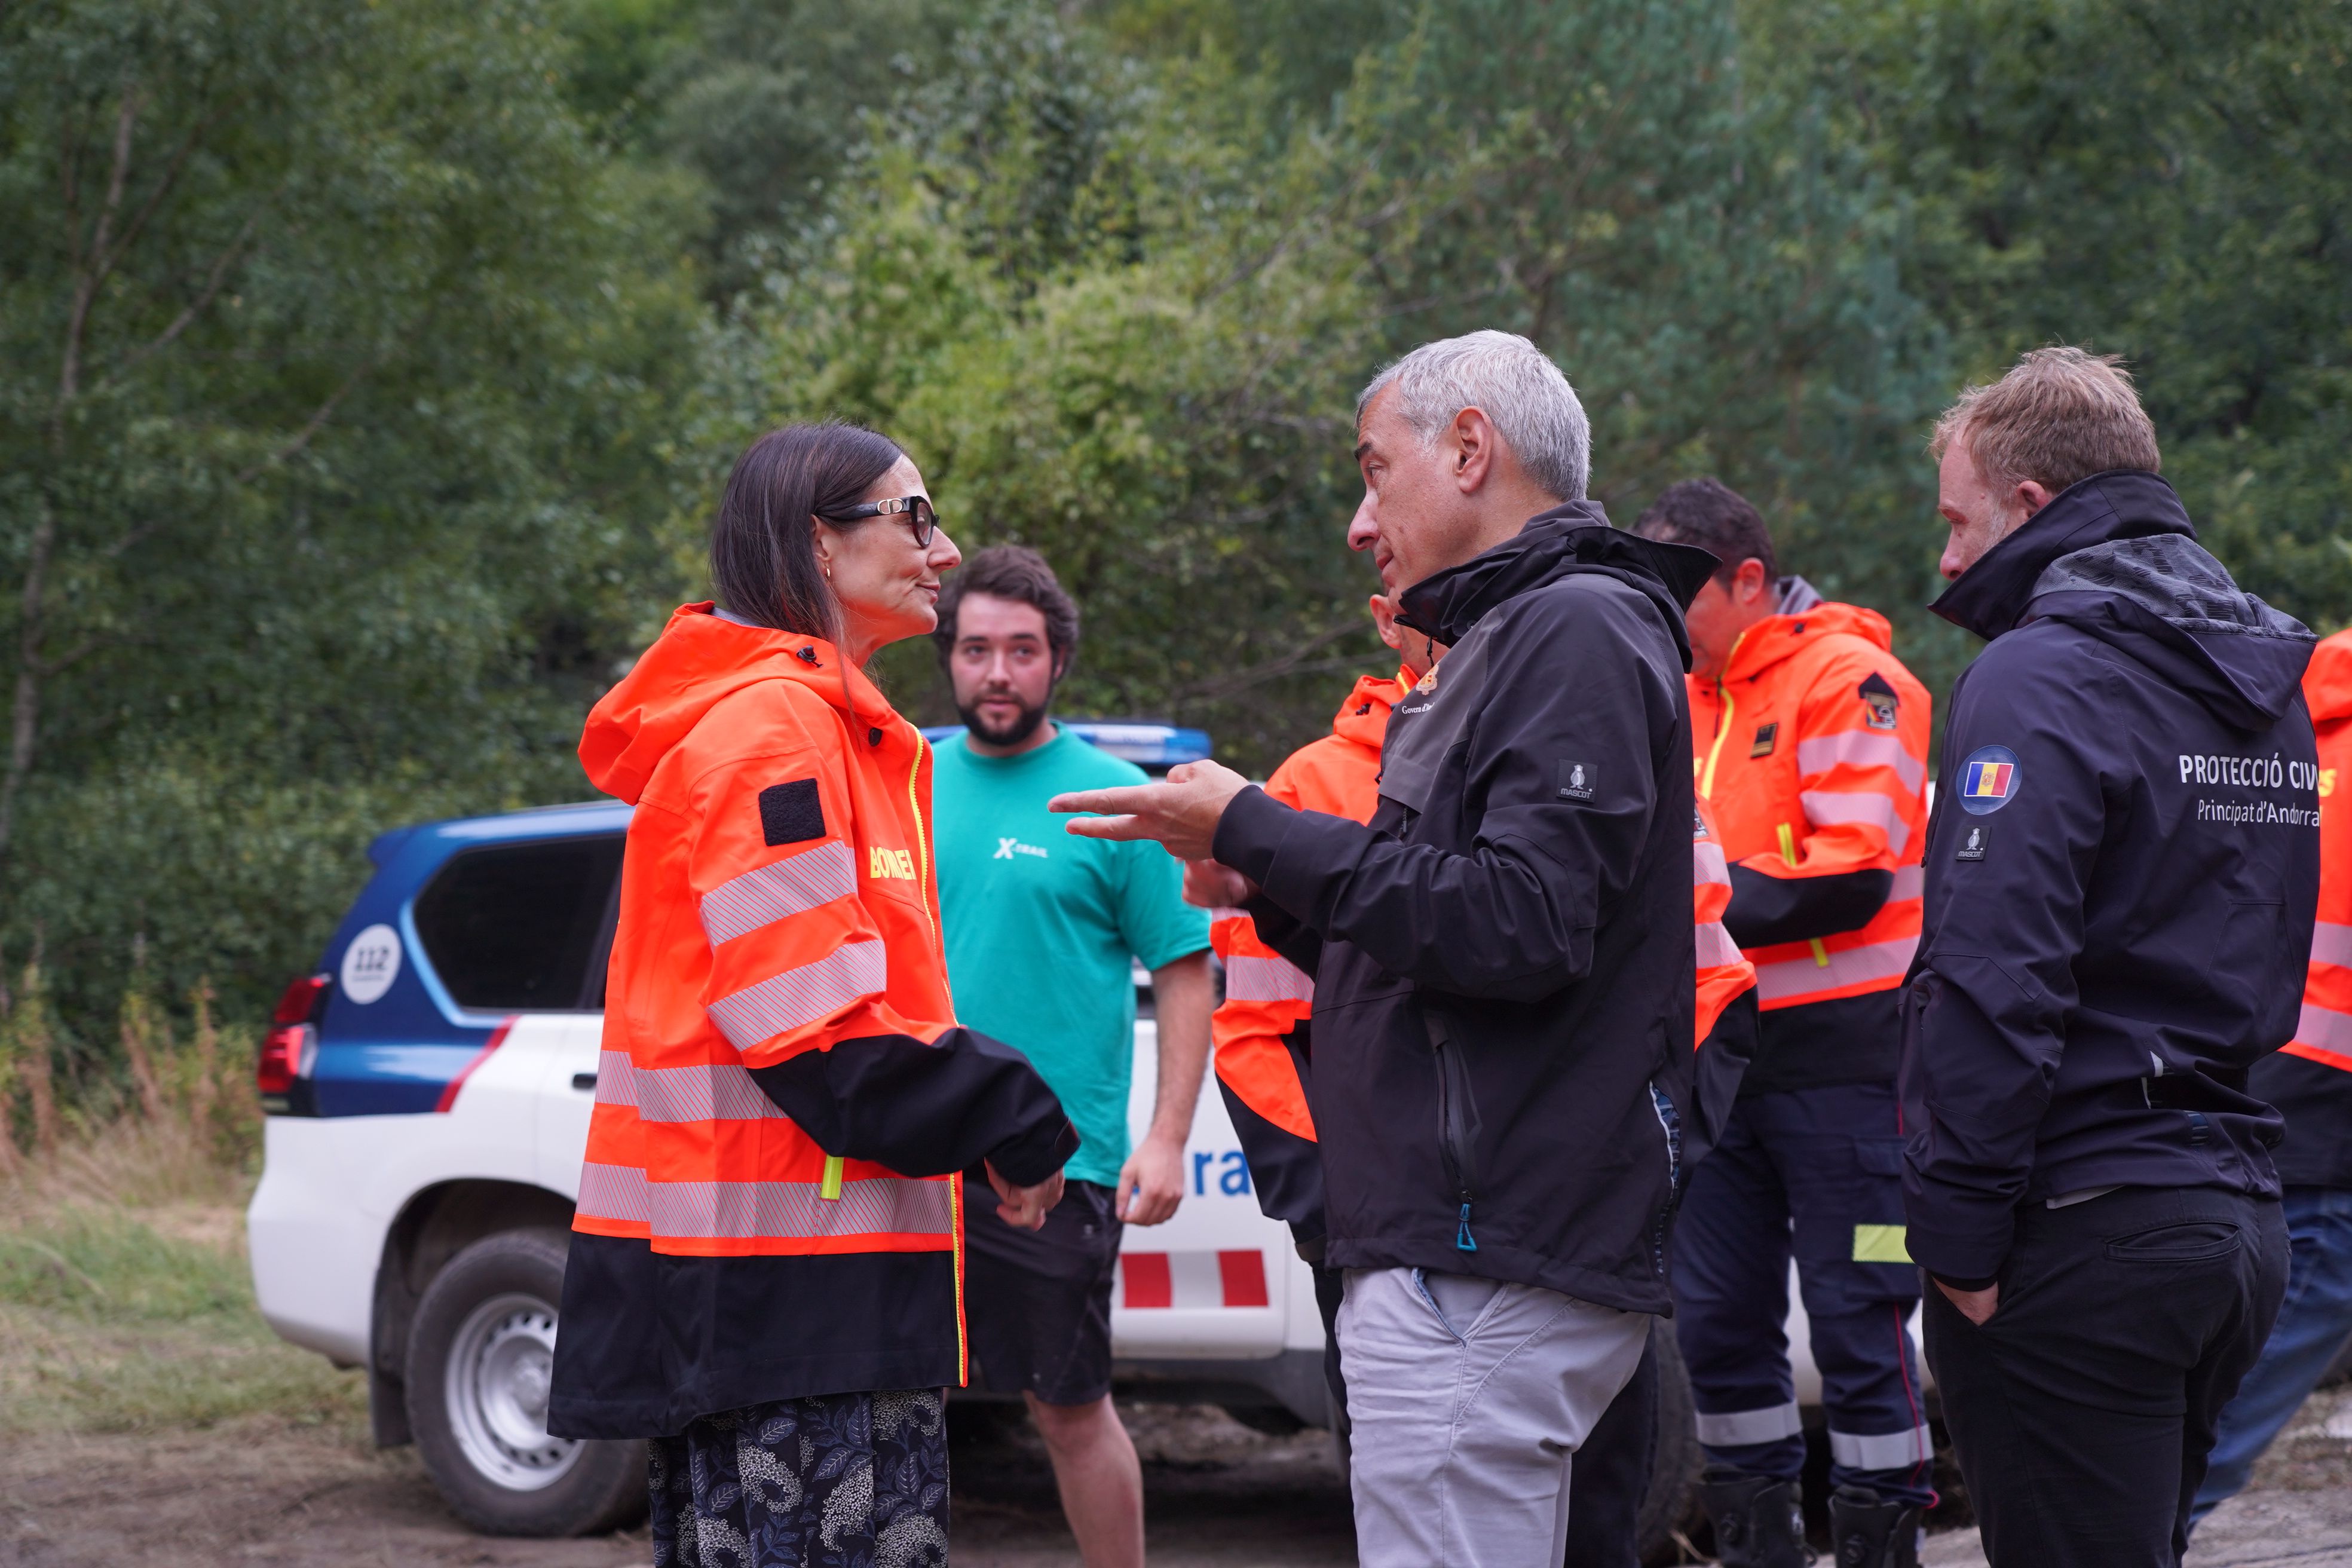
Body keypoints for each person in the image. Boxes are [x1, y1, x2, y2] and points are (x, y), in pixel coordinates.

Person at [1049, 329, 1719, 1564]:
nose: (1363, 523)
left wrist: (1256, 822)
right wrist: (1271, 886)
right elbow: (1456, 943)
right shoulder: (1525, 635)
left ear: (1472, 448)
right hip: (1474, 1249)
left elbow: (1521, 922)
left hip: (1483, 1260)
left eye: (1374, 471)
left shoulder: (1570, 627)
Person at [548, 422, 1078, 1566]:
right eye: (917, 517)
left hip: (809, 1295)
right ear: (819, 547)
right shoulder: (772, 733)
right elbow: (816, 1042)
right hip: (780, 1306)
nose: (944, 551)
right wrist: (1015, 1115)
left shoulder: (837, 730)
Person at [1209, 593, 1762, 1568]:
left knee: (1601, 1527)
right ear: (1387, 618)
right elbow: (1257, 1027)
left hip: (1580, 1232)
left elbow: (1711, 982)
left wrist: (1658, 1165)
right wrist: (1335, 1211)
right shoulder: (1307, 788)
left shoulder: (1606, 736)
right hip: (1389, 1246)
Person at [1903, 347, 2320, 1567]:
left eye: (1956, 519)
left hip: (2081, 1224)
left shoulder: (2039, 676)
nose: (1944, 559)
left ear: (2032, 505)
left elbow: (1994, 971)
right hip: (2230, 1215)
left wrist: (1962, 1245)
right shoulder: (2260, 685)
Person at [1631, 480, 1936, 1567]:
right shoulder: (1678, 696)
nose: (1660, 623)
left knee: (1864, 1316)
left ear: (1748, 579)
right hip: (1720, 1067)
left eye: (1679, 598)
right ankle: (1760, 1547)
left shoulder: (1858, 685)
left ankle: (1883, 1545)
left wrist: (1661, 897)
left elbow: (1843, 882)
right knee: (1715, 1323)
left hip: (1853, 1072)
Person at [928, 544, 1214, 1568]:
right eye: (975, 650)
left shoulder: (1116, 800)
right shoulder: (900, 777)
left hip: (1055, 1170)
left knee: (1068, 1410)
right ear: (949, 658)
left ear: (1057, 662)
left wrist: (1168, 1138)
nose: (996, 672)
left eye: (1020, 650)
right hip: (902, 1162)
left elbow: (1185, 966)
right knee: (886, 1409)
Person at [2191, 627, 2352, 1526]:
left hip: (2267, 1063)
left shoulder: (2290, 723)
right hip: (2330, 1089)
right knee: (2304, 1298)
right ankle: (2150, 1513)